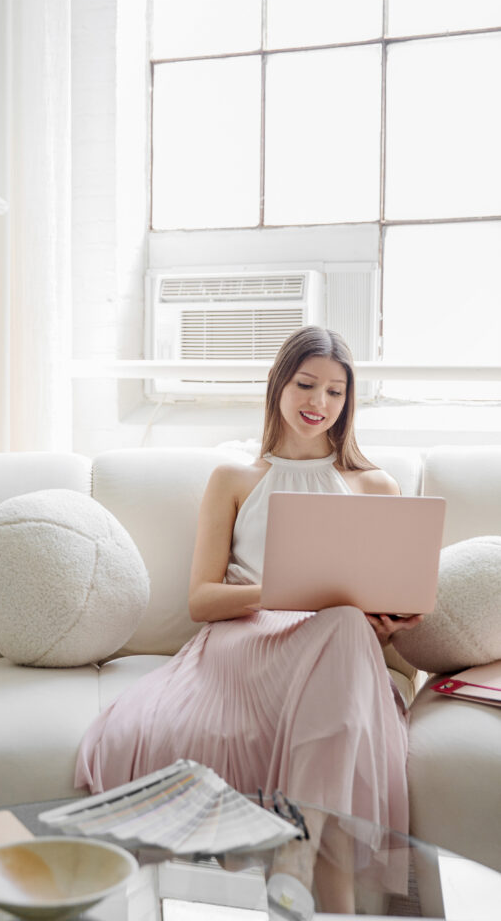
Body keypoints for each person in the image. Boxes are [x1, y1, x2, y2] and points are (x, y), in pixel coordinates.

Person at [75, 326, 422, 911]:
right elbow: (202, 601)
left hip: (337, 648)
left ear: (349, 402)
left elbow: (382, 602)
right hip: (246, 645)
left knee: (342, 624)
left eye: (335, 392)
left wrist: (385, 626)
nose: (319, 403)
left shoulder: (376, 484)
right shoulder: (235, 479)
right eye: (306, 385)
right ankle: (304, 861)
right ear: (278, 386)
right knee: (339, 623)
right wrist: (286, 592)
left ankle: (298, 861)